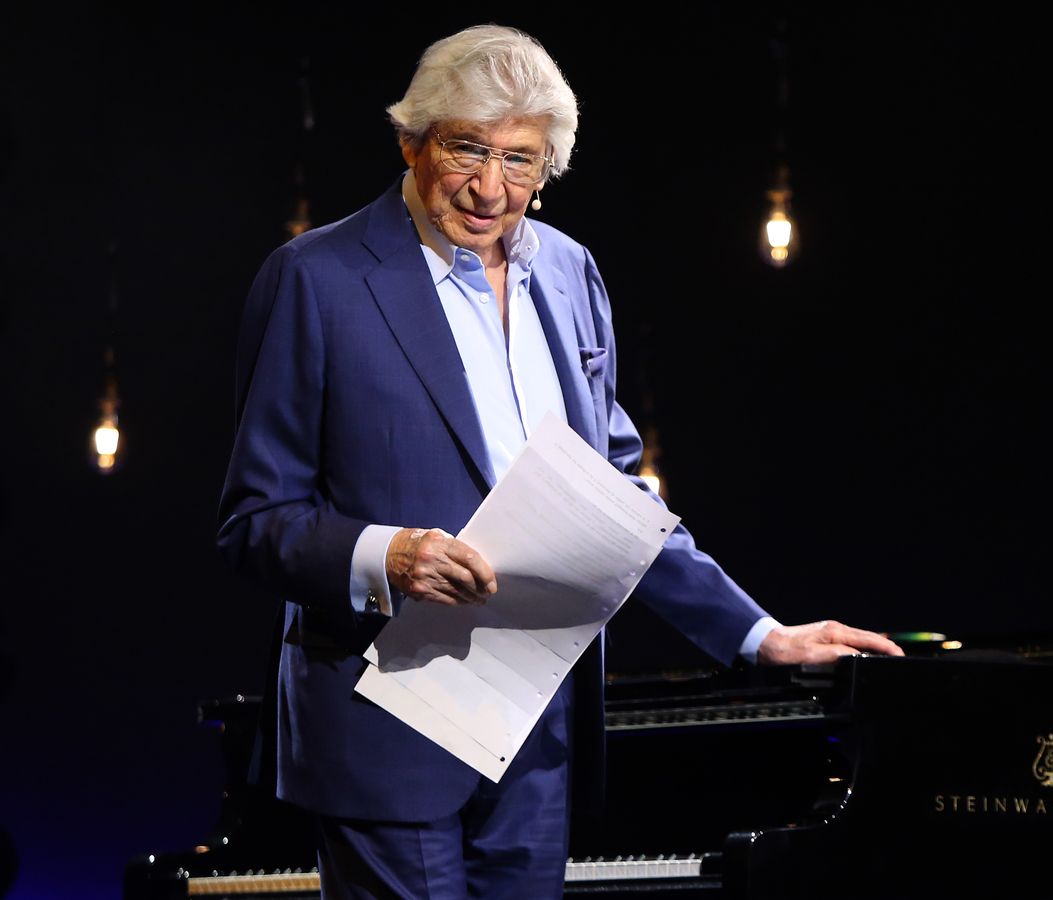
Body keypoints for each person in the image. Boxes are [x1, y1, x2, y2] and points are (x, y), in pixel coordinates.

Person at [217, 24, 901, 900]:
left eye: (522, 161)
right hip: (383, 722)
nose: (490, 187)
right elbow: (254, 520)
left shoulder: (573, 276)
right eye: (468, 148)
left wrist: (758, 634)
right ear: (411, 141)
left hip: (536, 725)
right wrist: (386, 556)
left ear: (549, 170)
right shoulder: (314, 278)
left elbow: (616, 503)